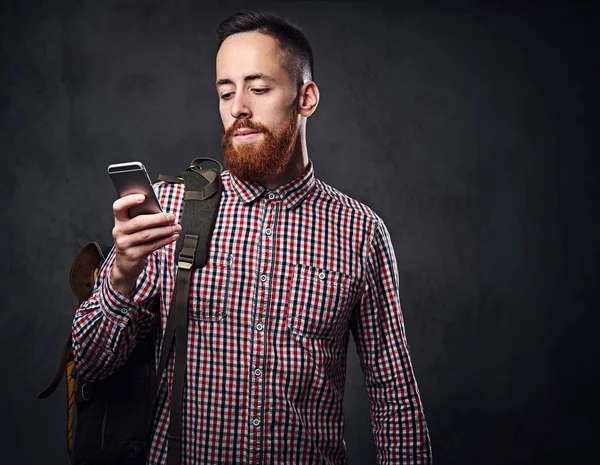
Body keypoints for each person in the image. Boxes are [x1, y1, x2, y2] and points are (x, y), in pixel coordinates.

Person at [72, 10, 432, 465]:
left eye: (258, 89)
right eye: (226, 92)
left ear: (306, 98)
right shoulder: (170, 210)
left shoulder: (360, 232)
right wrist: (123, 272)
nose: (238, 107)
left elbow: (394, 398)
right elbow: (92, 364)